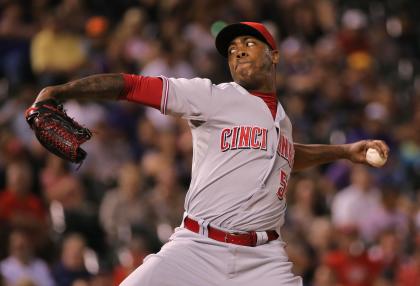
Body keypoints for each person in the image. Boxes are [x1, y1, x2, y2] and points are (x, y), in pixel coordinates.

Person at [28, 22, 389, 286]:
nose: (239, 51)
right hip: (197, 247)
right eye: (232, 50)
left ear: (275, 56)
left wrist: (344, 152)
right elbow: (133, 85)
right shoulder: (213, 96)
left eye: (250, 43)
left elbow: (288, 156)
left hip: (263, 260)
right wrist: (62, 89)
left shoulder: (282, 121)